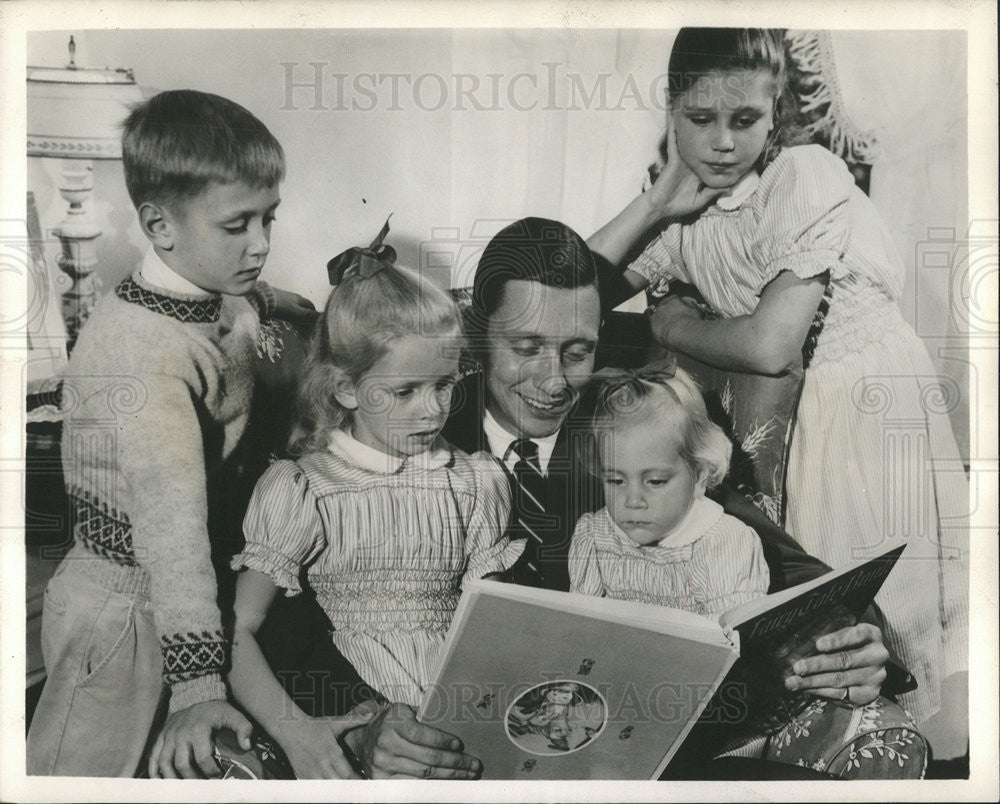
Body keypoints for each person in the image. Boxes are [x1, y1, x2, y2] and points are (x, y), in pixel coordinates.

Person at [260, 216, 899, 780]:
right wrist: (366, 718)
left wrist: (853, 633)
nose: (551, 380)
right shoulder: (406, 435)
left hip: (643, 744)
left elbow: (772, 553)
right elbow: (295, 606)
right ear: (477, 337)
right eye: (526, 348)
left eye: (577, 351)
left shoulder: (629, 420)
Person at [588, 27, 967, 727]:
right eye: (700, 120)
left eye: (745, 120)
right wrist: (655, 204)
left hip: (862, 402)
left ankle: (884, 751)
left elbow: (769, 345)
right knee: (806, 631)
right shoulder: (678, 204)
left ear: (776, 112)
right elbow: (561, 290)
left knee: (873, 619)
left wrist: (670, 326)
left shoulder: (805, 176)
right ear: (671, 111)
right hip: (788, 415)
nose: (724, 143)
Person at [26, 89, 315, 778]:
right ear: (159, 225)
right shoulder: (144, 355)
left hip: (179, 589)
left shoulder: (213, 295)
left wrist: (278, 303)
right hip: (122, 607)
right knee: (81, 776)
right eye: (238, 224)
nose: (262, 243)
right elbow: (172, 529)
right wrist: (198, 688)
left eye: (268, 218)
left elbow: (243, 318)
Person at [227, 235, 520, 778]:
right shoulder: (304, 488)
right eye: (406, 391)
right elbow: (238, 630)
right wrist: (297, 734)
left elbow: (497, 627)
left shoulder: (476, 481)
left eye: (443, 384)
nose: (433, 411)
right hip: (356, 713)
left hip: (464, 716)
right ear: (345, 389)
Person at [569, 363, 770, 619]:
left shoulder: (724, 545)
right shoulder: (597, 537)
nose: (633, 501)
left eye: (654, 481)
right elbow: (578, 627)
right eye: (616, 481)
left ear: (699, 474)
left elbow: (728, 644)